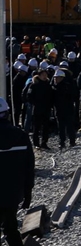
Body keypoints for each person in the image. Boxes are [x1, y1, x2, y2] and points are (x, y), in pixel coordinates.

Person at [0, 97, 34, 246]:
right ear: (7, 113)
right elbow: (29, 167)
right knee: (11, 229)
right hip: (13, 193)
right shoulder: (21, 136)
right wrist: (27, 193)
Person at [27, 68, 52, 149]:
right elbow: (29, 96)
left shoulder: (48, 85)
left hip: (46, 108)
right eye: (43, 75)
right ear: (39, 75)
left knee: (46, 127)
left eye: (46, 75)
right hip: (37, 108)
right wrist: (35, 103)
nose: (44, 76)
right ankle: (36, 143)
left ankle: (44, 142)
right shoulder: (34, 85)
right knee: (36, 127)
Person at [52, 69, 76, 148]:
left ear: (62, 78)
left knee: (68, 126)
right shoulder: (55, 87)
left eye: (57, 78)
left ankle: (69, 141)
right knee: (62, 127)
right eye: (55, 78)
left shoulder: (65, 87)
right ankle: (64, 142)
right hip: (60, 110)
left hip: (66, 109)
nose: (55, 79)